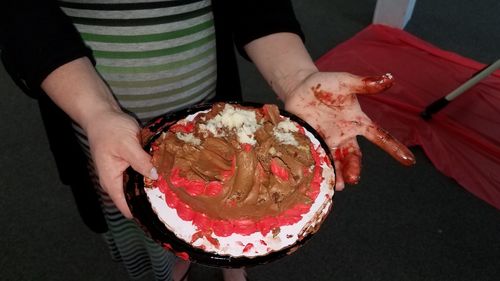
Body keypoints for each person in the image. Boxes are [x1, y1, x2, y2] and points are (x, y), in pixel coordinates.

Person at [1, 0, 415, 280]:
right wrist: (96, 112)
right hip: (81, 93)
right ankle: (169, 267)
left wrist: (298, 77)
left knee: (227, 196)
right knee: (133, 205)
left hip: (199, 86)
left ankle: (231, 264)